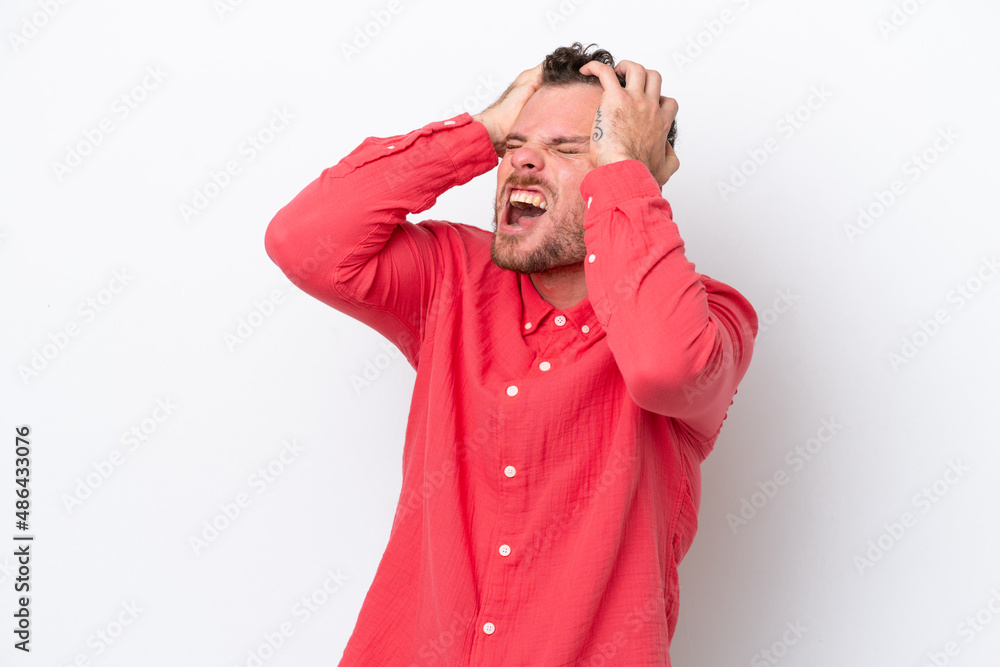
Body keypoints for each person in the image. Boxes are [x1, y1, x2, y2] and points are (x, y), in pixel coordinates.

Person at [265, 42, 757, 666]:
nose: (522, 161)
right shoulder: (450, 276)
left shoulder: (710, 318)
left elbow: (666, 368)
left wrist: (626, 173)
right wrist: (480, 132)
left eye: (569, 149)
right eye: (515, 146)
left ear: (627, 167)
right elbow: (301, 240)